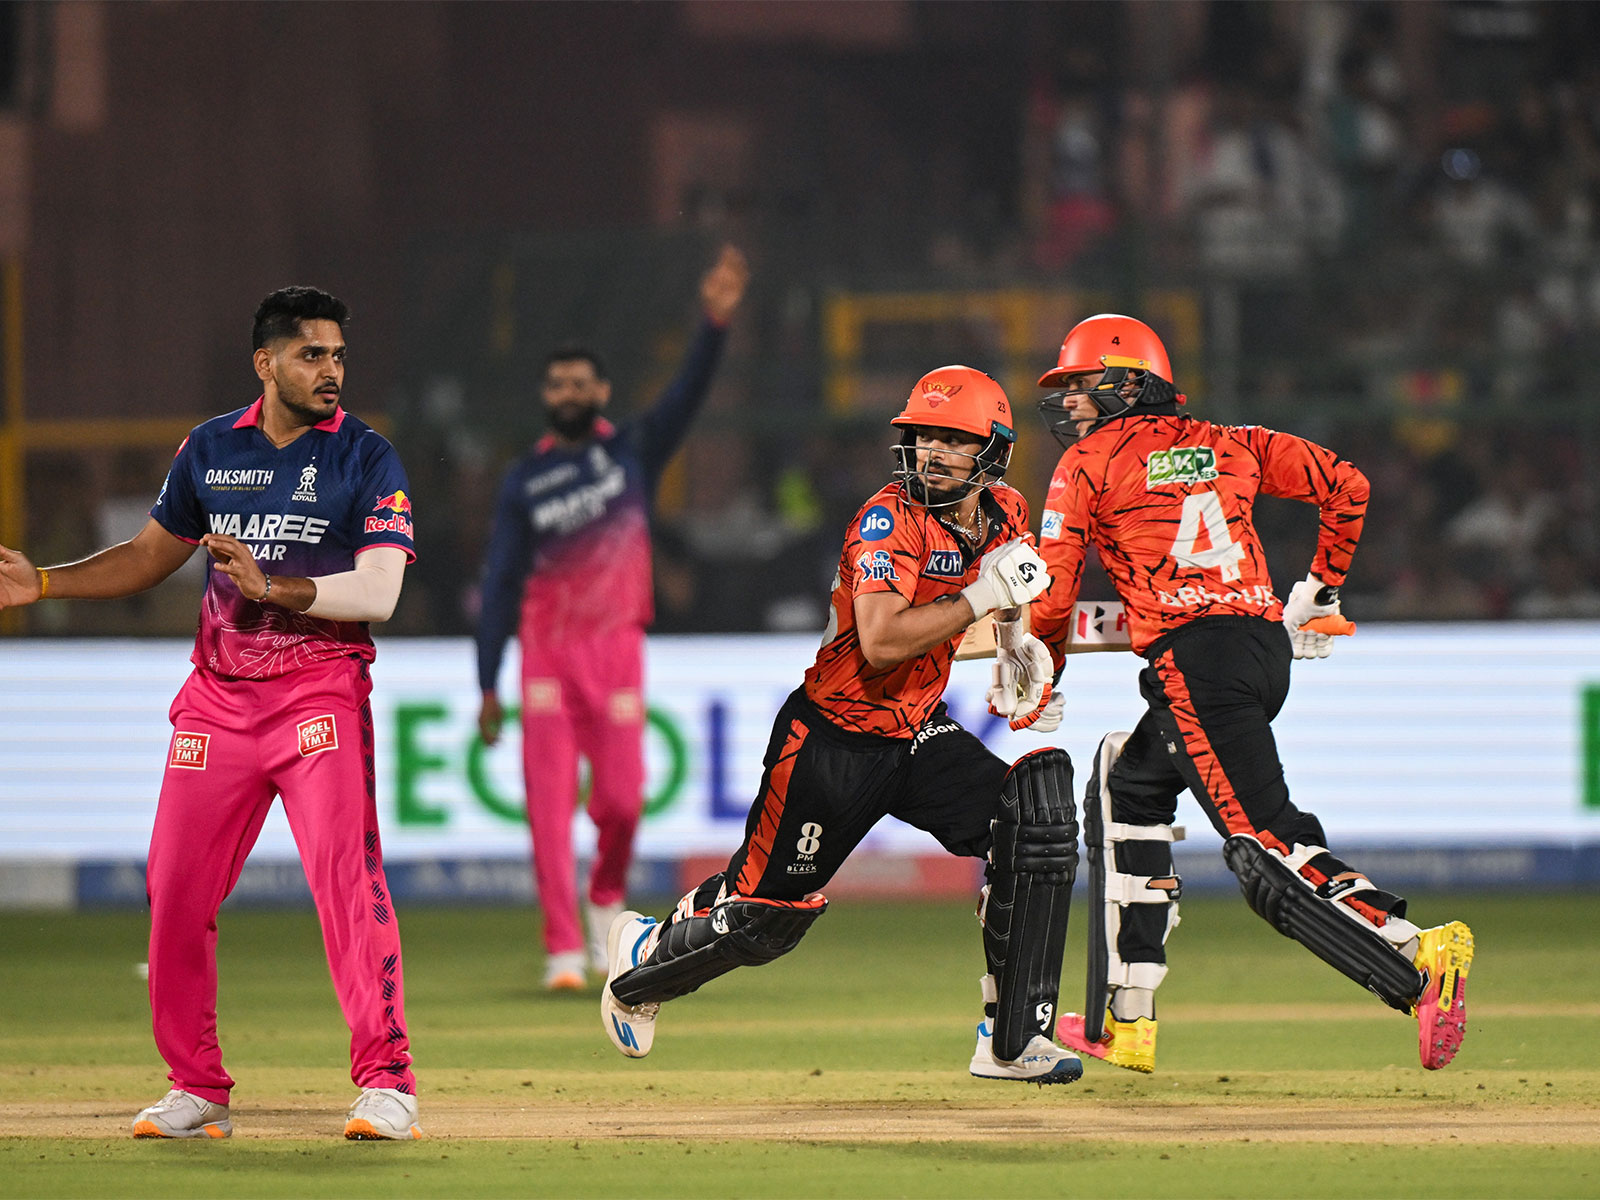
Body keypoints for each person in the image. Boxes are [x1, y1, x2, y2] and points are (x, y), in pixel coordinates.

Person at [0, 287, 424, 1140]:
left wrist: (277, 587)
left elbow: (380, 590)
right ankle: (196, 1087)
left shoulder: (368, 458)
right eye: (313, 355)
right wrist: (44, 582)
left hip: (319, 693)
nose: (332, 371)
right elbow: (150, 556)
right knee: (174, 887)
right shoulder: (206, 449)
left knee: (346, 878)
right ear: (265, 363)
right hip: (217, 704)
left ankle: (386, 1081)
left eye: (339, 356)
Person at [597, 365, 1085, 1085]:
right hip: (832, 739)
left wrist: (1016, 649)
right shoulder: (887, 520)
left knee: (1031, 818)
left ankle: (1010, 1036)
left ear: (993, 452)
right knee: (764, 921)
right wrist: (985, 595)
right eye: (922, 437)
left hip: (915, 733)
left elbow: (1011, 595)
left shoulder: (1007, 511)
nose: (930, 453)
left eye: (952, 440)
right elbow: (884, 641)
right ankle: (640, 967)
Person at [1021, 313, 1475, 1075]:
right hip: (1262, 651)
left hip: (1196, 664)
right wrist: (1321, 589)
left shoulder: (1086, 465)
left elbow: (1055, 595)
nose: (1069, 405)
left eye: (1079, 387)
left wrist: (1040, 677)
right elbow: (1348, 486)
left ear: (1128, 383)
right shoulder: (1234, 440)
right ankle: (1125, 1021)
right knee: (1126, 785)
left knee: (1267, 847)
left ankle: (1422, 952)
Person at [475, 246, 750, 990]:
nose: (568, 391)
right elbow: (500, 580)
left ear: (600, 389)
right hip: (545, 655)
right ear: (546, 395)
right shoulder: (524, 478)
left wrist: (714, 323)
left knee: (624, 800)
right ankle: (564, 950)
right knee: (545, 811)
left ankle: (605, 899)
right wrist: (487, 682)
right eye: (556, 383)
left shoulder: (632, 450)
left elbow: (688, 394)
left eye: (580, 381)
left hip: (617, 648)